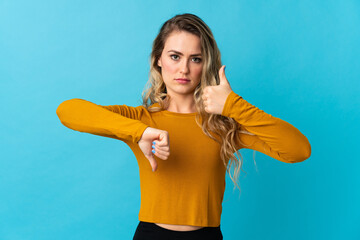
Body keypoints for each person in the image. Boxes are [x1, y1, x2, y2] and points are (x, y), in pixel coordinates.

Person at [56, 13, 311, 240]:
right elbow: (67, 111)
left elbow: (298, 150)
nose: (184, 69)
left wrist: (233, 105)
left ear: (205, 65)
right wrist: (141, 133)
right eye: (175, 56)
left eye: (195, 59)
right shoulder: (141, 120)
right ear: (158, 60)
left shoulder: (223, 126)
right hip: (150, 235)